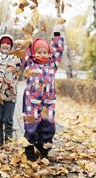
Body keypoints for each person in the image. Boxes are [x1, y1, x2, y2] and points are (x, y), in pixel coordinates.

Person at [15, 31, 64, 161]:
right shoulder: (30, 63)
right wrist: (27, 43)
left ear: (48, 53)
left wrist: (57, 38)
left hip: (48, 102)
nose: (42, 55)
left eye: (45, 52)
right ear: (34, 53)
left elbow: (58, 51)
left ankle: (44, 148)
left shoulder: (52, 64)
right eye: (39, 52)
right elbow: (23, 55)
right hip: (32, 101)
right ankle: (29, 148)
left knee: (48, 125)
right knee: (31, 126)